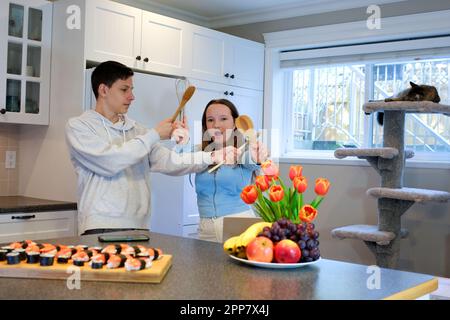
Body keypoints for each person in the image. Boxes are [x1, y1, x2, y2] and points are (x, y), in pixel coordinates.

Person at [65, 61, 239, 235]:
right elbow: (110, 161)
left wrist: (213, 156)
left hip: (140, 225)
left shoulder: (138, 130)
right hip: (99, 225)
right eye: (124, 90)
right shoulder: (79, 127)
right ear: (103, 90)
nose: (131, 96)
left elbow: (171, 161)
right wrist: (155, 134)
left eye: (131, 90)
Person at [194, 99, 269, 243]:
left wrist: (257, 157)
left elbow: (252, 160)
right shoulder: (200, 152)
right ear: (205, 125)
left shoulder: (243, 150)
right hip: (205, 226)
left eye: (223, 119)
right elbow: (177, 162)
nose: (216, 125)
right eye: (210, 120)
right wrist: (178, 142)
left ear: (235, 123)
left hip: (239, 223)